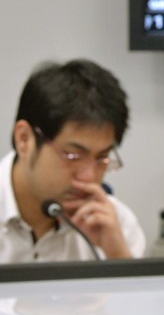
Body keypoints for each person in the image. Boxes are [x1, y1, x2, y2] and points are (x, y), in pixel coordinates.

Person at [0, 59, 146, 262]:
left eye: (102, 158)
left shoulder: (117, 224)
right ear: (24, 139)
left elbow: (138, 293)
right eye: (73, 156)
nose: (88, 177)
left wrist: (117, 257)